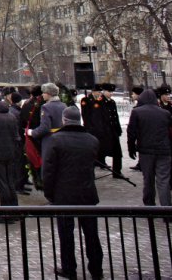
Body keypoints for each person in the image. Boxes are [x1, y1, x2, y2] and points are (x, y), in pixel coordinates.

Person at [41, 106, 104, 280]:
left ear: (64, 120)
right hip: (87, 193)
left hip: (64, 194)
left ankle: (69, 268)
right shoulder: (92, 140)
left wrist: (49, 193)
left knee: (66, 234)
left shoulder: (56, 140)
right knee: (91, 234)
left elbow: (48, 170)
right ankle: (96, 269)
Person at [126, 88, 172, 209]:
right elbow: (171, 133)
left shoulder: (137, 112)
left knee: (148, 179)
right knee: (163, 181)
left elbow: (131, 132)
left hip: (146, 151)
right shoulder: (165, 113)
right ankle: (168, 210)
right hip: (163, 151)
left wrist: (131, 148)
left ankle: (149, 206)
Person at [100, 83, 125, 178]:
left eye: (112, 91)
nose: (111, 93)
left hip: (113, 131)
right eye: (109, 91)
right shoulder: (99, 102)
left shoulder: (112, 102)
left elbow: (115, 117)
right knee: (100, 151)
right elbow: (98, 118)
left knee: (117, 152)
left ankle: (117, 171)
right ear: (104, 91)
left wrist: (118, 129)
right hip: (104, 132)